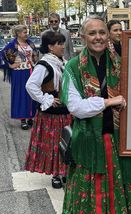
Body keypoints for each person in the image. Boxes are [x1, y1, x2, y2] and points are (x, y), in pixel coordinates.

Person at [60, 16, 131, 214]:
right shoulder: (73, 66)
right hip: (90, 143)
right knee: (96, 197)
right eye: (92, 33)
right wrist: (108, 102)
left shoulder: (121, 63)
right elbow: (76, 108)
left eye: (102, 32)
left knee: (117, 196)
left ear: (108, 35)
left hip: (119, 142)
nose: (98, 37)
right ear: (82, 37)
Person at [24, 31, 72, 189]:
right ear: (50, 47)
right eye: (60, 44)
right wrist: (47, 99)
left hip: (64, 111)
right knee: (54, 145)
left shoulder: (61, 62)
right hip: (51, 114)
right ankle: (56, 175)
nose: (63, 46)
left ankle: (64, 171)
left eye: (62, 43)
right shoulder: (44, 64)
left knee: (66, 142)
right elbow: (31, 86)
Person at [1, 25, 38, 130]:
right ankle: (23, 119)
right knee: (21, 95)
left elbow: (36, 55)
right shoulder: (12, 45)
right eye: (24, 32)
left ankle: (31, 117)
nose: (27, 34)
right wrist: (10, 65)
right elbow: (2, 56)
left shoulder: (30, 43)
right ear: (18, 34)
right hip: (19, 74)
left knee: (32, 94)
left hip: (31, 72)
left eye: (27, 32)